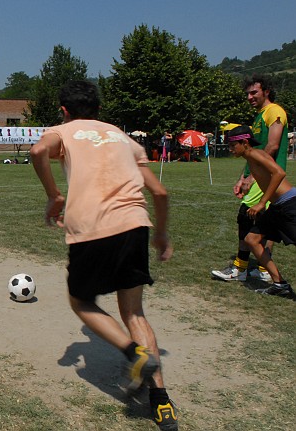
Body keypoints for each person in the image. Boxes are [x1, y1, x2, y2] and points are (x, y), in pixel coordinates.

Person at [30, 80, 177, 430]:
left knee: (80, 301)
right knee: (135, 313)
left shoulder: (63, 131)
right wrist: (160, 234)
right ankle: (162, 404)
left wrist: (55, 197)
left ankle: (134, 355)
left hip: (92, 228)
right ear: (99, 109)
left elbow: (37, 152)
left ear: (64, 111)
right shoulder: (124, 138)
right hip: (135, 224)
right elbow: (160, 191)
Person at [211, 75, 289, 282]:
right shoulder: (259, 116)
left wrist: (252, 178)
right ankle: (263, 269)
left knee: (247, 216)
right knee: (263, 223)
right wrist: (242, 177)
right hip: (259, 175)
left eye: (254, 92)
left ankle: (241, 268)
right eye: (247, 93)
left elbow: (271, 147)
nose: (249, 97)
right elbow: (253, 154)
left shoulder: (274, 111)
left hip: (267, 177)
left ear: (267, 91)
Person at [225, 125, 296, 298]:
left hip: (289, 204)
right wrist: (247, 184)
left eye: (233, 145)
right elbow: (264, 176)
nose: (230, 149)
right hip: (278, 206)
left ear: (244, 142)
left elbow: (279, 173)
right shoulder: (251, 157)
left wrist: (262, 202)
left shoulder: (255, 154)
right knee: (252, 239)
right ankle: (280, 284)